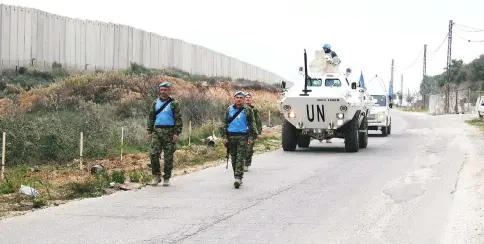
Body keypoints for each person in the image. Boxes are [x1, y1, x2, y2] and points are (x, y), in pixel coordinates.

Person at [147, 81, 183, 186]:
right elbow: (151, 117)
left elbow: (178, 119)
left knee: (168, 156)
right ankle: (156, 175)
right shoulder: (155, 102)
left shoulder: (174, 103)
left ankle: (166, 177)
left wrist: (177, 133)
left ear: (169, 90)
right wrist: (149, 131)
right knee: (153, 154)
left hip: (170, 132)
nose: (163, 92)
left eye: (165, 89)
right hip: (157, 131)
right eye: (161, 90)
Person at [220, 91, 257, 189]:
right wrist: (224, 137)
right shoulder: (229, 109)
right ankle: (236, 175)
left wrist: (251, 137)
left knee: (240, 157)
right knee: (234, 158)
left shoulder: (248, 110)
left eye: (241, 97)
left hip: (242, 137)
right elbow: (224, 123)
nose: (239, 99)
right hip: (231, 137)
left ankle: (238, 178)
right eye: (237, 97)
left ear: (244, 99)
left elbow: (252, 124)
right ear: (234, 99)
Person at [243, 93, 262, 172]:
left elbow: (258, 122)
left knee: (249, 148)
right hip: (241, 131)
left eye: (249, 97)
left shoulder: (254, 110)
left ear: (251, 99)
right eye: (246, 97)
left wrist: (259, 133)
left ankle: (246, 164)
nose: (247, 99)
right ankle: (240, 163)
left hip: (251, 132)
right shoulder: (240, 108)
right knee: (241, 148)